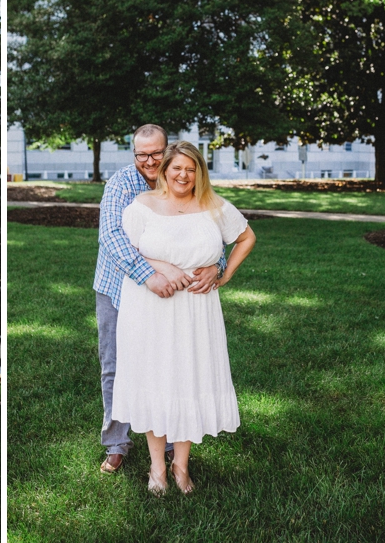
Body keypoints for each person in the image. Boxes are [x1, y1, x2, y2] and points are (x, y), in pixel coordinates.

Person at [111, 141, 257, 495]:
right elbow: (126, 250)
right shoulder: (142, 206)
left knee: (189, 377)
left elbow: (246, 237)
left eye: (191, 169)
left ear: (199, 173)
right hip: (150, 306)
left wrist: (223, 275)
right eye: (177, 168)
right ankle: (157, 467)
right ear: (165, 170)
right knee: (156, 378)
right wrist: (162, 266)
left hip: (196, 308)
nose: (183, 175)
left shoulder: (212, 206)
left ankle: (181, 465)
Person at [91, 125, 220, 475]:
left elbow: (209, 230)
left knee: (167, 367)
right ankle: (117, 444)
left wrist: (217, 265)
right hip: (118, 287)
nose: (149, 161)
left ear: (169, 149)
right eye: (141, 154)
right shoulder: (121, 184)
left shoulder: (182, 181)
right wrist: (148, 275)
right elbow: (112, 237)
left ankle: (164, 442)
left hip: (174, 298)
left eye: (156, 153)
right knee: (116, 366)